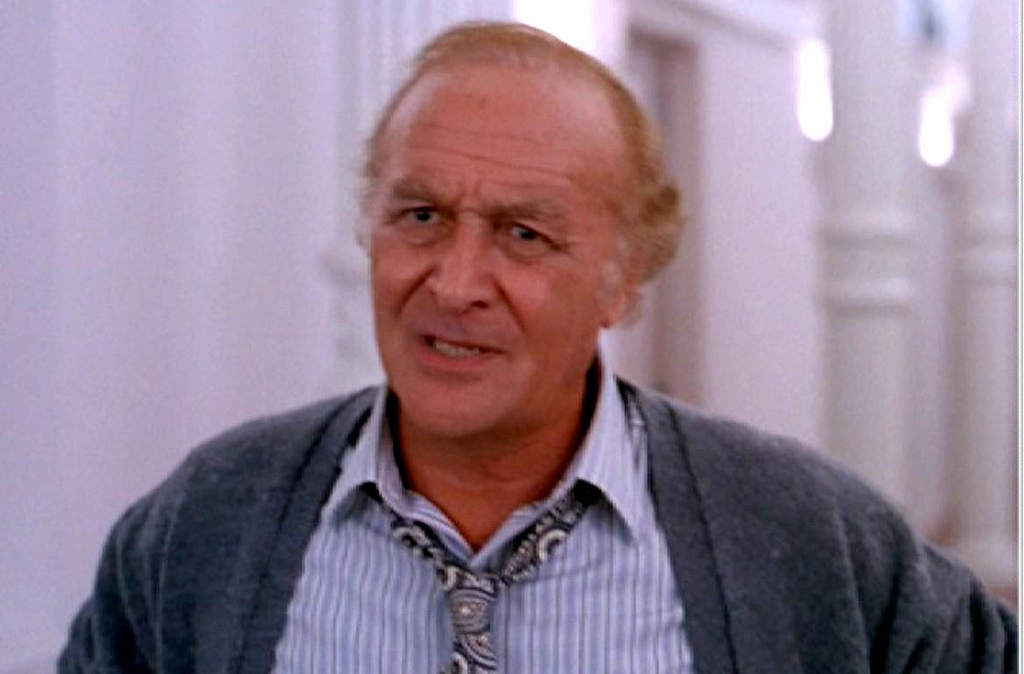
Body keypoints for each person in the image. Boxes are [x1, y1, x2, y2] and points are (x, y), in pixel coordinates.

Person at [60, 21, 1015, 674]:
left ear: (623, 279)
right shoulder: (209, 525)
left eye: (524, 234)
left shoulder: (809, 540)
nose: (455, 282)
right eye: (420, 215)